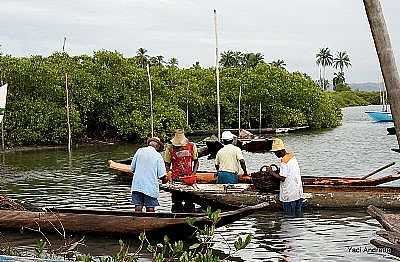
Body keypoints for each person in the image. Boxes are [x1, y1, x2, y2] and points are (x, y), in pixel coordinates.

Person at [164, 129, 199, 211]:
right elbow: (167, 164)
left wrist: (193, 174)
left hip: (189, 179)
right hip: (176, 179)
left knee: (190, 203)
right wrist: (169, 175)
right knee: (176, 203)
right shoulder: (169, 148)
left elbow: (196, 161)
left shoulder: (192, 146)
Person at [130, 137, 167, 212]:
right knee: (150, 207)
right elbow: (162, 175)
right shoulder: (158, 156)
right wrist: (166, 179)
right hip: (150, 186)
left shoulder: (139, 151)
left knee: (138, 206)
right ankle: (150, 222)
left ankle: (137, 222)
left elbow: (132, 168)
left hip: (137, 184)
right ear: (157, 146)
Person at [269, 138, 304, 217]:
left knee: (289, 218)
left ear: (280, 151)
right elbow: (289, 172)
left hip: (289, 195)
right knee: (298, 216)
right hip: (298, 193)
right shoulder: (292, 157)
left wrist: (271, 172)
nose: (275, 154)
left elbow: (282, 178)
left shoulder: (284, 162)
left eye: (275, 152)